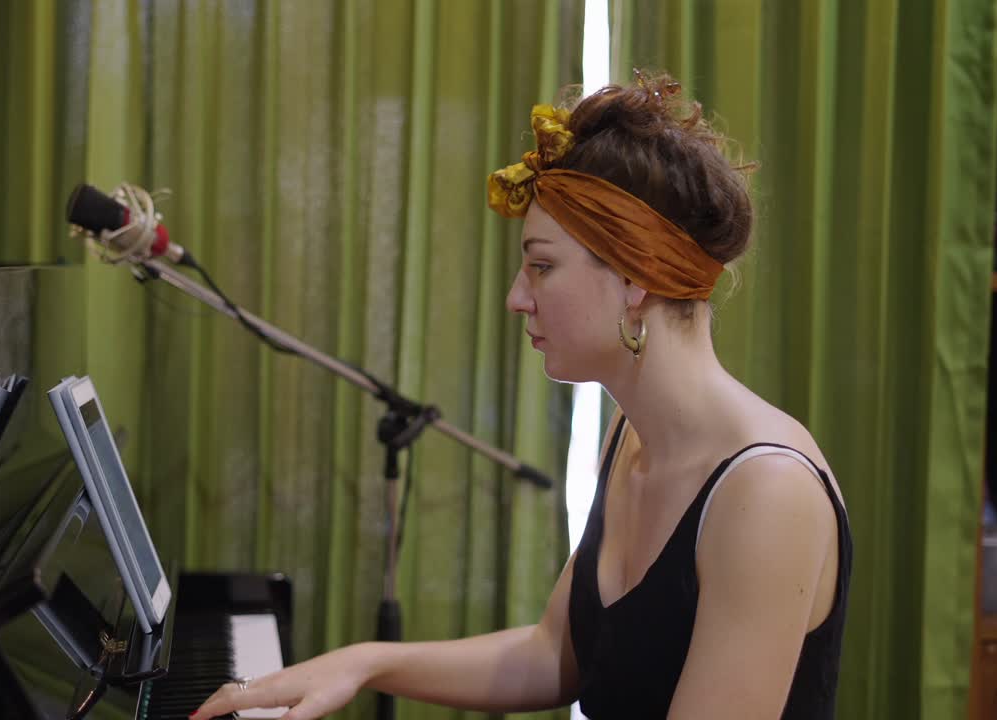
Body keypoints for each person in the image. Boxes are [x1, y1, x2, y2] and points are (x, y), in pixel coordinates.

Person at [191, 71, 852, 720]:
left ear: (635, 279)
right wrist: (362, 662)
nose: (516, 297)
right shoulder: (629, 438)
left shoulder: (766, 493)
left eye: (541, 265)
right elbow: (551, 657)